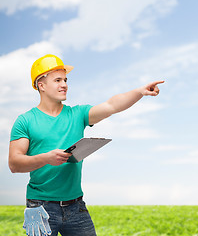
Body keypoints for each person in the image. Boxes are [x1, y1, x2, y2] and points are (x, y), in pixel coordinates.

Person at [8, 54, 164, 236]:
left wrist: (139, 92)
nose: (64, 84)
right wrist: (46, 158)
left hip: (76, 207)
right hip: (40, 208)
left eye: (65, 80)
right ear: (41, 85)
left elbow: (111, 105)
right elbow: (15, 163)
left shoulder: (77, 114)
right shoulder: (25, 121)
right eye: (57, 80)